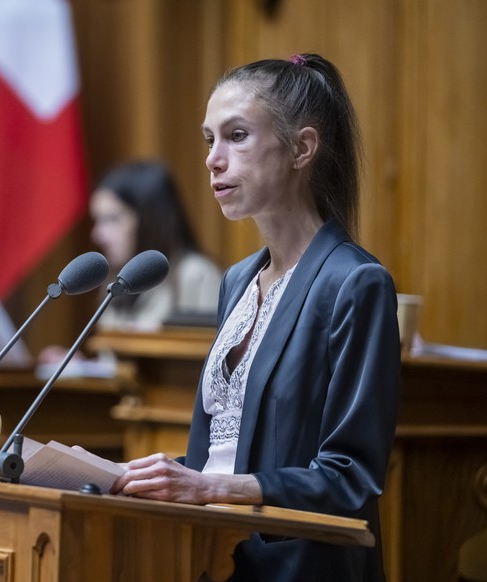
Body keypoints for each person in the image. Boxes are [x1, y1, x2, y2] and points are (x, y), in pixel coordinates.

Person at [108, 54, 400, 580]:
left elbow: (351, 477)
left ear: (302, 148)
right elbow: (223, 452)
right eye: (208, 139)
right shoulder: (236, 281)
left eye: (236, 136)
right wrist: (143, 474)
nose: (213, 160)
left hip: (301, 564)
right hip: (216, 557)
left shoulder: (356, 282)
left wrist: (211, 487)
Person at [91, 159, 222, 331]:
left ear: (149, 220)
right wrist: (80, 359)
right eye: (97, 220)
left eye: (112, 219)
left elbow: (215, 353)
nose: (96, 235)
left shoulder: (196, 274)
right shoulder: (114, 280)